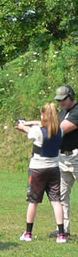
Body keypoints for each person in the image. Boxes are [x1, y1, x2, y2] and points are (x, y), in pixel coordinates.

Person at [15, 103, 66, 243]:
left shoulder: (38, 131)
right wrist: (29, 122)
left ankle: (28, 233)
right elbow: (39, 124)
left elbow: (29, 130)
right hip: (54, 168)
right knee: (56, 201)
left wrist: (23, 125)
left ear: (43, 115)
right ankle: (61, 234)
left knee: (33, 201)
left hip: (38, 169)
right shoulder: (60, 130)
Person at [54, 85, 78, 239]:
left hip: (76, 156)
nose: (61, 103)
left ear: (71, 97)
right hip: (62, 158)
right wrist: (29, 124)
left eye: (63, 99)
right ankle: (63, 229)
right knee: (62, 196)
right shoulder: (62, 113)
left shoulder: (76, 112)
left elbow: (59, 129)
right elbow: (49, 124)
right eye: (59, 100)